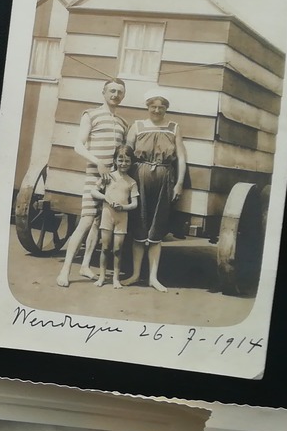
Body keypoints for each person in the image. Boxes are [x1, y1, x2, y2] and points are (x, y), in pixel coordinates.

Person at [56, 78, 129, 287]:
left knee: (100, 222)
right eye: (112, 91)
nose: (115, 94)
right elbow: (78, 145)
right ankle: (65, 270)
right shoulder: (91, 114)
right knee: (87, 220)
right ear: (104, 92)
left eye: (119, 92)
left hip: (113, 180)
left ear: (123, 96)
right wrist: (98, 163)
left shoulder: (123, 123)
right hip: (95, 175)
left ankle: (86, 265)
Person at [123, 90, 188, 291]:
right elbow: (125, 155)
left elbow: (182, 158)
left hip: (164, 179)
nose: (157, 110)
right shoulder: (138, 126)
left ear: (166, 108)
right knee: (139, 224)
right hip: (139, 177)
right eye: (153, 106)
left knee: (157, 227)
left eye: (161, 107)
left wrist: (179, 183)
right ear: (148, 107)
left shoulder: (173, 127)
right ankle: (135, 274)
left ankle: (153, 277)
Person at [87, 146, 139, 289]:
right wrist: (106, 198)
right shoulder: (108, 176)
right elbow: (93, 191)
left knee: (118, 249)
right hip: (107, 216)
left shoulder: (131, 182)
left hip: (122, 218)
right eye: (120, 160)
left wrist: (123, 207)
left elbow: (135, 204)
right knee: (104, 247)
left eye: (127, 161)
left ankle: (115, 278)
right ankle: (102, 277)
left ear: (131, 162)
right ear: (115, 161)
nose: (123, 163)